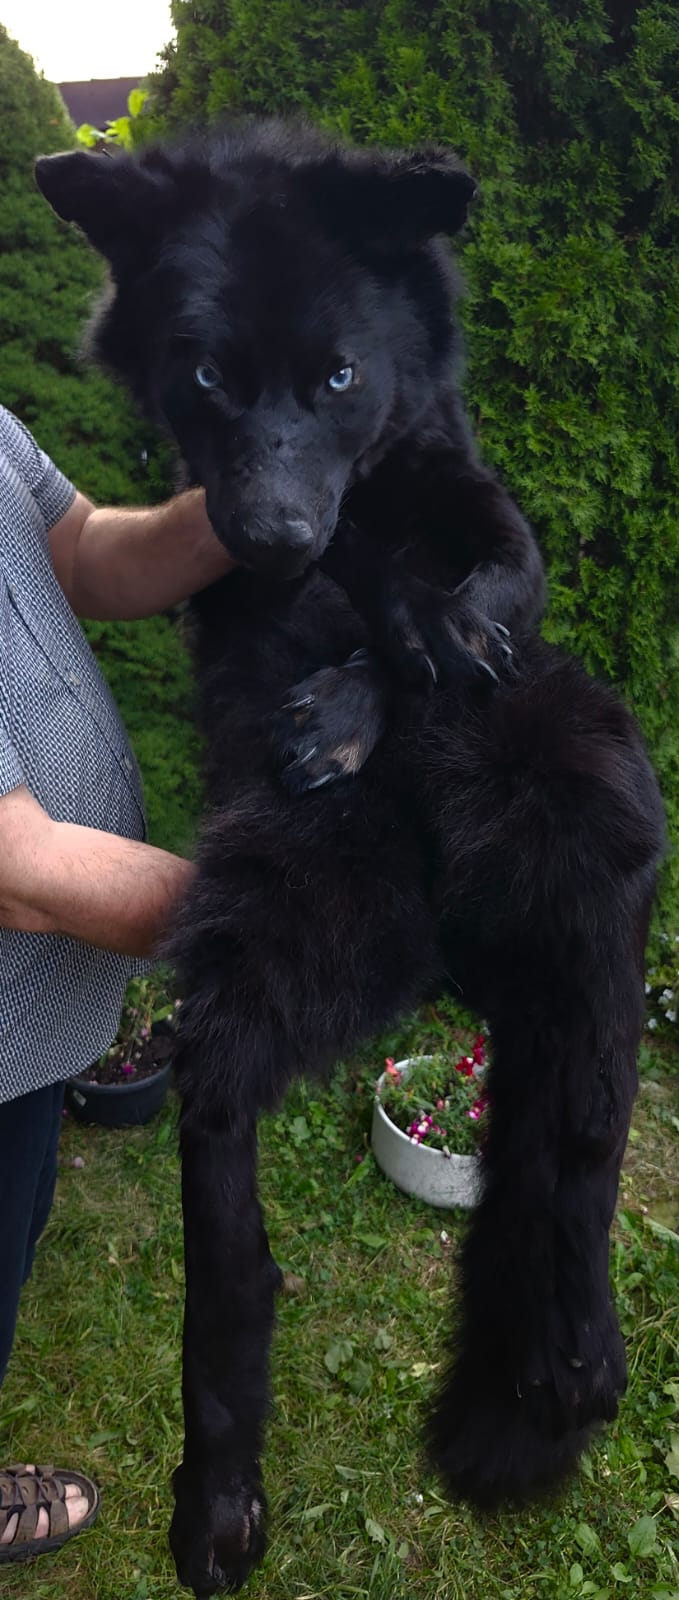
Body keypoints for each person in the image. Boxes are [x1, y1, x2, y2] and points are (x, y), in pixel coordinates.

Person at [0, 404, 235, 1564]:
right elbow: (19, 871)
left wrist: (238, 505)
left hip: (27, 1026)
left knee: (18, 1217)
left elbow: (85, 548)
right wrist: (307, 926)